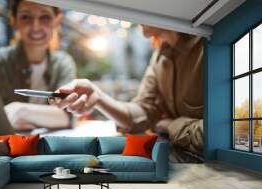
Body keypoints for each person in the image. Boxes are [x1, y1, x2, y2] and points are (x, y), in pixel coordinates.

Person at [50, 25, 204, 163]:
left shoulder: (209, 47)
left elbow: (224, 132)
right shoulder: (160, 53)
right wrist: (97, 97)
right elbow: (143, 112)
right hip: (173, 159)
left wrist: (170, 125)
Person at [0, 0, 76, 131]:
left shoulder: (63, 63)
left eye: (45, 17)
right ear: (14, 20)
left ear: (57, 20)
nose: (35, 27)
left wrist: (20, 110)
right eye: (26, 17)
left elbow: (66, 115)